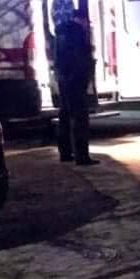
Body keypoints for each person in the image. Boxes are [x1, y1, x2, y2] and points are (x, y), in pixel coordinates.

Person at [54, 9, 98, 166]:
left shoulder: (60, 33)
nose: (87, 25)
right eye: (86, 21)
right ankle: (82, 156)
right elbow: (80, 58)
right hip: (76, 80)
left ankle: (65, 153)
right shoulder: (77, 33)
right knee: (80, 119)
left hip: (64, 79)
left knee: (65, 117)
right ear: (81, 19)